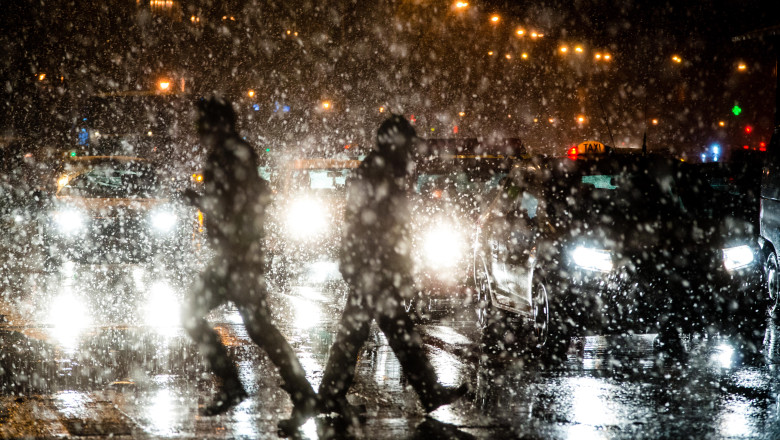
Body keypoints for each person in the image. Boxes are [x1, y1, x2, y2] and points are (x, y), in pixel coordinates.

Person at [317, 115, 468, 419]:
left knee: (365, 331)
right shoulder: (380, 171)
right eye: (407, 143)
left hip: (370, 265)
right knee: (392, 331)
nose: (410, 150)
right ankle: (427, 392)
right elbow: (377, 224)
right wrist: (394, 264)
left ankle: (331, 395)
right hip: (373, 266)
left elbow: (366, 221)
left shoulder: (379, 169)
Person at [182, 96, 317, 428]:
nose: (198, 130)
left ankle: (232, 385)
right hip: (237, 255)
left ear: (216, 124)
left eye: (202, 122)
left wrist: (200, 201)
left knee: (195, 315)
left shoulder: (229, 156)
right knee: (260, 329)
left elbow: (235, 206)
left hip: (236, 257)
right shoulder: (234, 152)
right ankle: (301, 394)